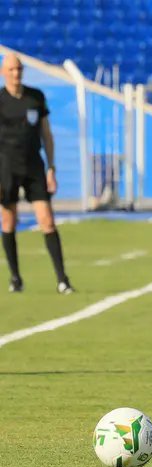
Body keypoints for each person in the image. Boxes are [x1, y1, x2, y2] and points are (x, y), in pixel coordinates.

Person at [0, 53, 74, 294]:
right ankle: (15, 278)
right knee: (8, 221)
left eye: (19, 69)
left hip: (34, 166)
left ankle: (62, 280)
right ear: (3, 72)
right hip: (7, 169)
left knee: (47, 220)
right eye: (11, 69)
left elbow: (47, 135)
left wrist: (51, 167)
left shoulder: (36, 98)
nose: (16, 73)